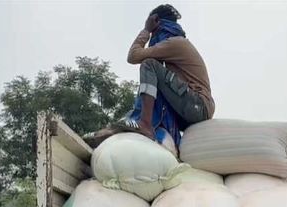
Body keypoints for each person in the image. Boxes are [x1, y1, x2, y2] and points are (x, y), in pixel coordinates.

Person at [84, 4, 214, 147]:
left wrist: (146, 30)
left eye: (153, 30)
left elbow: (133, 56)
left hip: (198, 106)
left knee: (149, 64)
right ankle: (112, 133)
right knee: (149, 94)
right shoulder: (175, 44)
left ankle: (145, 124)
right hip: (190, 107)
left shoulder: (175, 43)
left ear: (156, 21)